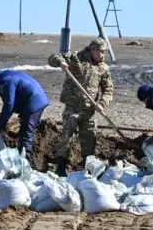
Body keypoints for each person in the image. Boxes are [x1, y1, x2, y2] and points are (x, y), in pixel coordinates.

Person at [47, 37, 113, 176]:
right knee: (66, 137)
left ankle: (87, 170)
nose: (103, 55)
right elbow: (53, 58)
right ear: (93, 49)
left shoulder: (103, 68)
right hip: (72, 107)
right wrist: (61, 62)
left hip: (89, 110)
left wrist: (102, 104)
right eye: (101, 51)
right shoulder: (76, 58)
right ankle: (60, 167)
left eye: (105, 52)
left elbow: (108, 90)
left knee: (89, 139)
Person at [0, 69, 50, 159]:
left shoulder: (6, 81)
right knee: (25, 129)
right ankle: (23, 154)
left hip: (34, 101)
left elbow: (9, 105)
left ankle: (25, 161)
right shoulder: (5, 76)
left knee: (25, 131)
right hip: (34, 98)